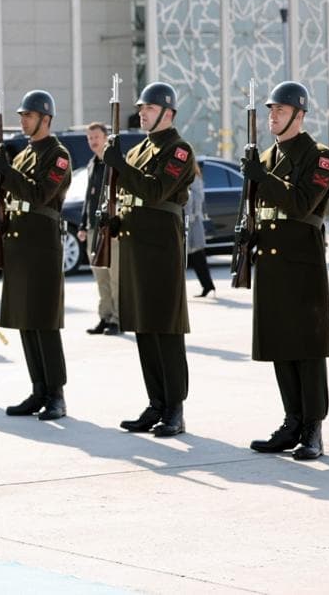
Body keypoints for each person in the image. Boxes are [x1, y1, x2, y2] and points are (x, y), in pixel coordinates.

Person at [242, 81, 329, 461]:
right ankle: (292, 420)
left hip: (301, 262)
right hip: (272, 262)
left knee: (306, 348)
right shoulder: (264, 158)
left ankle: (313, 427)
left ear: (299, 115)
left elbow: (299, 203)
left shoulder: (319, 156)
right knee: (280, 342)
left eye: (280, 110)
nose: (272, 116)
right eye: (270, 110)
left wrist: (262, 178)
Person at [101, 82, 195, 437]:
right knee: (143, 327)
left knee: (166, 329)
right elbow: (132, 195)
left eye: (150, 108)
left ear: (168, 113)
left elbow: (155, 190)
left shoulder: (179, 150)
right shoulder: (140, 149)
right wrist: (116, 218)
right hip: (136, 243)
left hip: (162, 246)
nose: (142, 113)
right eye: (141, 108)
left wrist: (120, 166)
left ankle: (174, 407)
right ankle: (155, 403)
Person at [0, 90, 73, 420]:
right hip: (20, 246)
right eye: (22, 115)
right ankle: (38, 389)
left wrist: (6, 172)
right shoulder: (25, 154)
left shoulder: (59, 155)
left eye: (28, 115)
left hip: (41, 246)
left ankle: (56, 394)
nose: (22, 120)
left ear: (45, 119)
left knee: (44, 323)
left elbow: (39, 194)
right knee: (26, 321)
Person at [77, 122, 121, 336]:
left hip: (110, 228)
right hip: (93, 228)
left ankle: (117, 319)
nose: (93, 141)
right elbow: (89, 197)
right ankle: (105, 316)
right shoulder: (92, 163)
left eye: (96, 137)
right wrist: (84, 224)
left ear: (106, 138)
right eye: (89, 138)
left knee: (115, 276)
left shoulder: (114, 163)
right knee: (100, 276)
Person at [185, 161, 216, 298]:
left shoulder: (193, 176)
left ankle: (208, 286)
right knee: (197, 258)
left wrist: (190, 215)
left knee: (196, 257)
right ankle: (208, 286)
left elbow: (196, 198)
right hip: (191, 220)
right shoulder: (193, 175)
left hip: (192, 221)